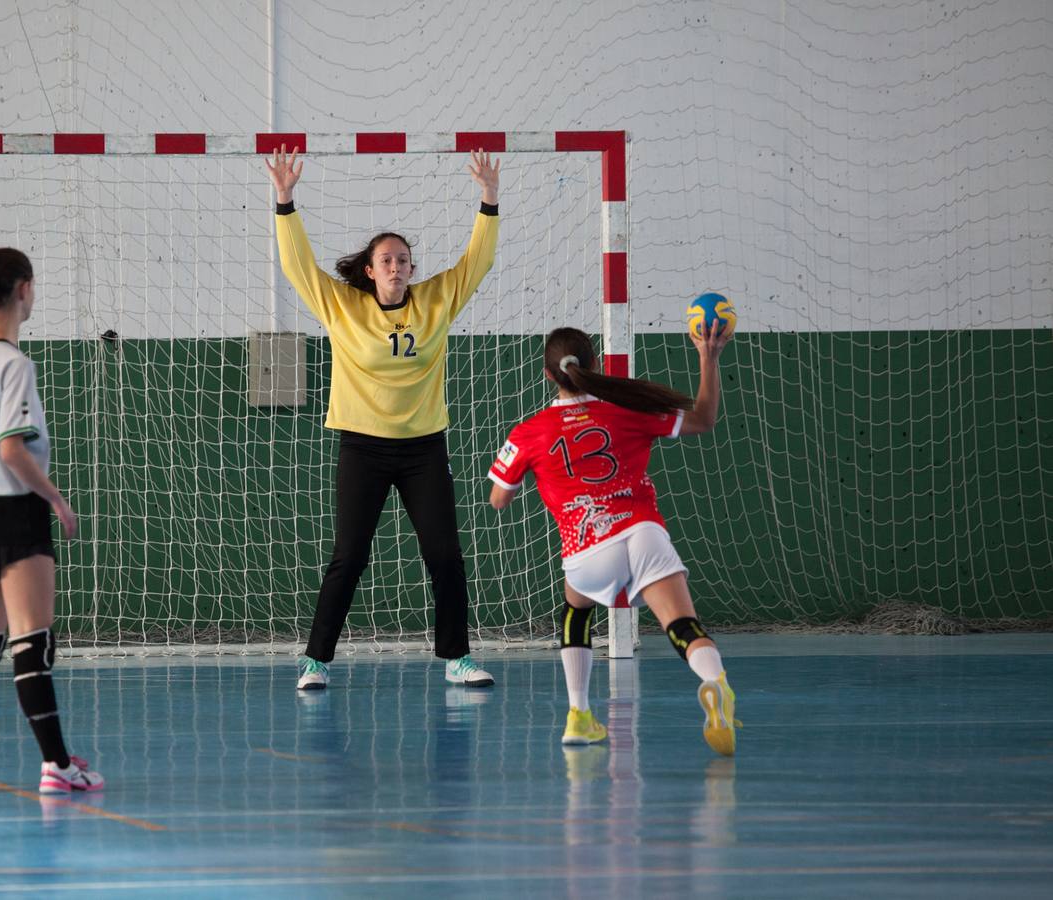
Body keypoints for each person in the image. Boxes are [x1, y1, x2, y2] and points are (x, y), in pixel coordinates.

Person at [266, 145, 501, 692]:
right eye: (386, 260)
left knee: (444, 553)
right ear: (370, 272)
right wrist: (285, 201)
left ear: (412, 269)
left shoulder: (437, 300)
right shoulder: (343, 307)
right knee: (349, 556)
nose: (396, 266)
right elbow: (298, 266)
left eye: (403, 259)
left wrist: (488, 200)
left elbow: (477, 261)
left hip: (423, 448)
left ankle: (458, 658)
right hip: (362, 448)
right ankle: (316, 661)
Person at [486, 323, 741, 755]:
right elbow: (704, 418)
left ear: (548, 375)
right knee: (681, 624)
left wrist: (534, 474)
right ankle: (716, 684)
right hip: (642, 532)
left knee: (576, 610)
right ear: (595, 366)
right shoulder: (627, 410)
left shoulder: (529, 432)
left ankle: (579, 715)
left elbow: (497, 500)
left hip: (587, 546)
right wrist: (708, 357)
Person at [0, 248, 104, 795]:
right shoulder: (15, 363)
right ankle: (57, 766)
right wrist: (56, 499)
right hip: (13, 510)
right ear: (24, 290)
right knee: (32, 640)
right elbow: (12, 449)